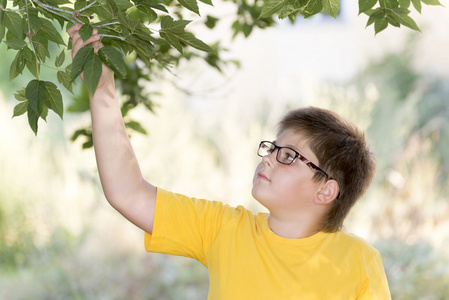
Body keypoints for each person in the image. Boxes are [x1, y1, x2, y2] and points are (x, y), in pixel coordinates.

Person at [68, 24, 391, 299]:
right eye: (271, 147)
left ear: (326, 191)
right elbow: (128, 193)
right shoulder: (224, 230)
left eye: (289, 156)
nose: (268, 158)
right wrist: (102, 89)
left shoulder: (359, 261)